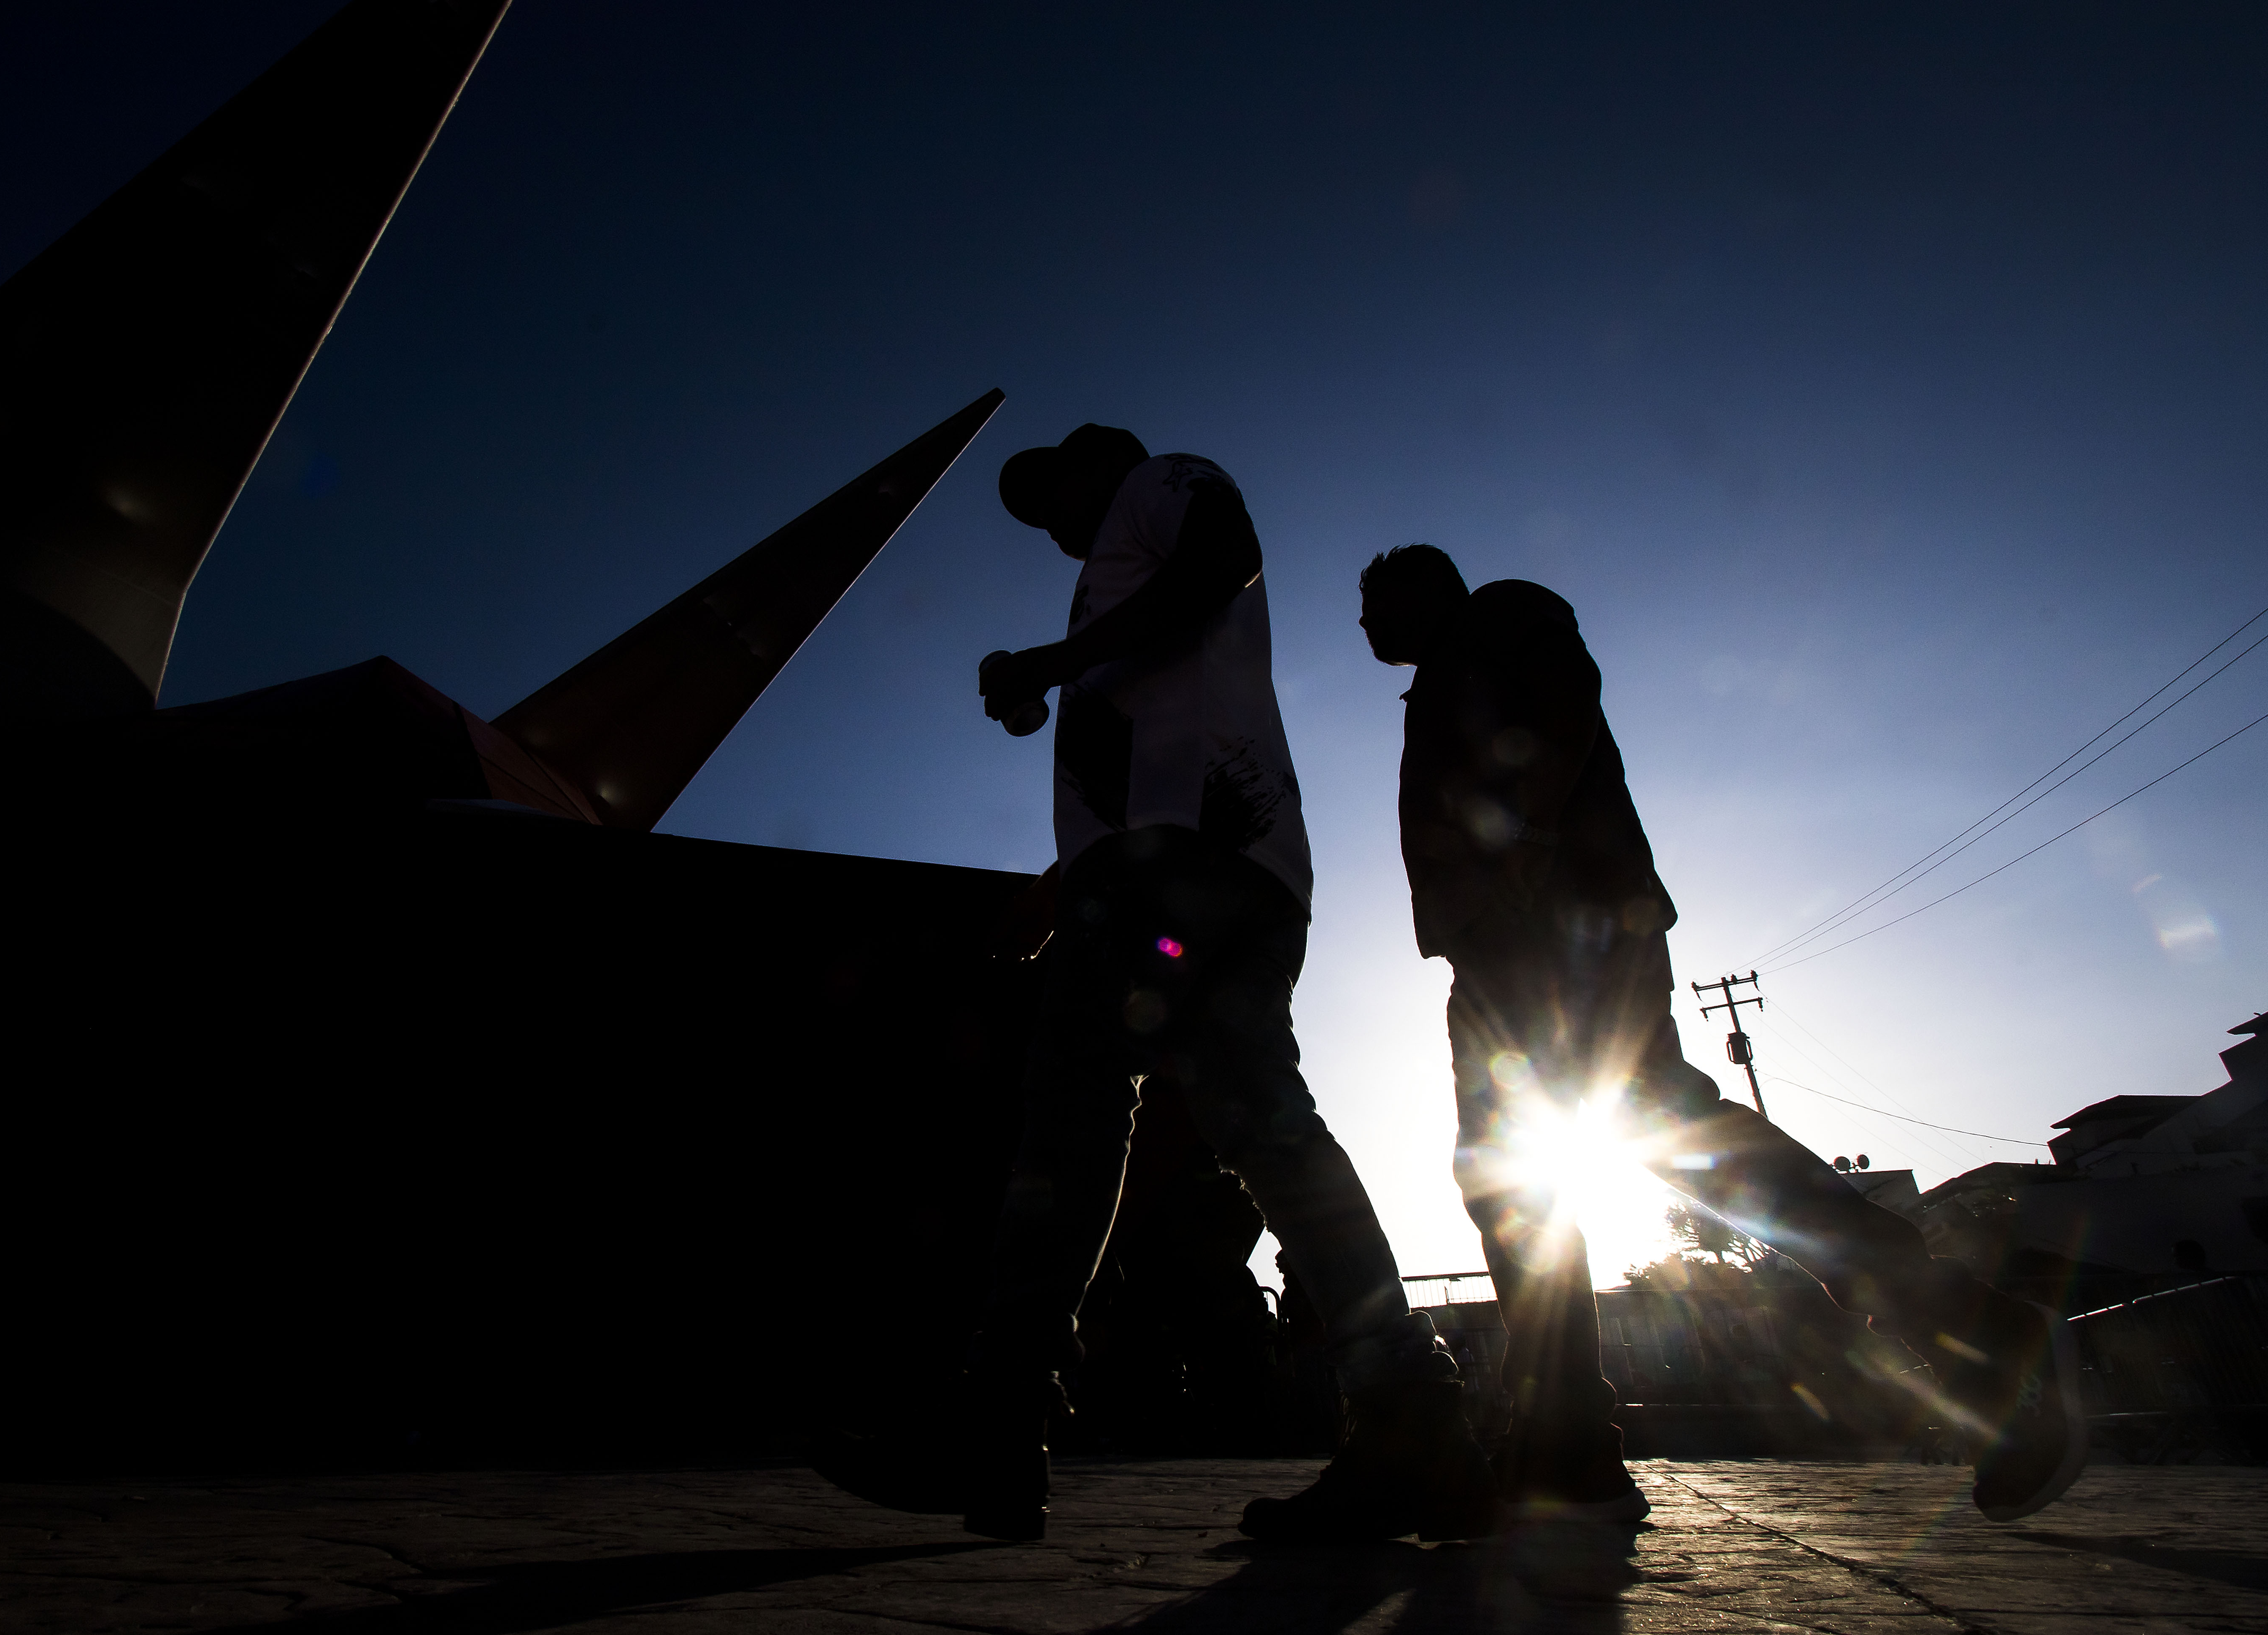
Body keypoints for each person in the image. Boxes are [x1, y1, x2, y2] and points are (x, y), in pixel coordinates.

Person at [814, 425, 1492, 1544]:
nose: (1050, 517)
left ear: (1104, 456)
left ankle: (998, 1425)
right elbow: (1158, 733)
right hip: (1214, 868)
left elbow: (1223, 557)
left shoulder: (1160, 485)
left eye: (1054, 487)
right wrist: (1064, 879)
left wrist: (1046, 665)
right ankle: (1414, 1418)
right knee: (1263, 1126)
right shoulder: (1123, 564)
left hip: (1170, 875)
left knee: (1073, 1112)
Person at [1358, 542, 2088, 1524]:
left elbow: (1568, 703)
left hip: (1562, 928)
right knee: (1541, 1173)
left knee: (1641, 1136)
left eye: (1376, 599)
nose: (1364, 622)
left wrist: (1528, 842)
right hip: (1502, 956)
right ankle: (1567, 1450)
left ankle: (1973, 1330)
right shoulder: (1441, 684)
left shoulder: (1500, 613)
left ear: (1428, 590)